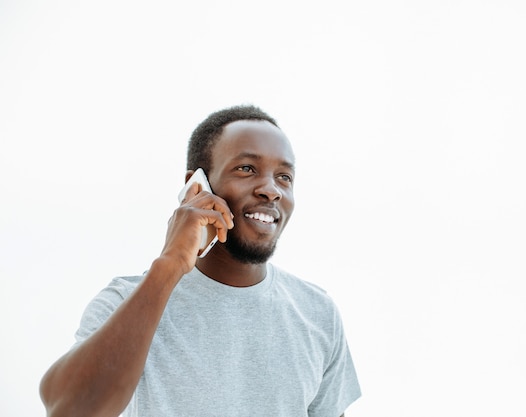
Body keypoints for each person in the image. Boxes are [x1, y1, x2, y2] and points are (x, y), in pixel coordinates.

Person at [39, 105, 361, 417]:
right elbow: (70, 410)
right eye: (247, 168)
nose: (271, 190)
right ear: (196, 186)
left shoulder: (317, 313)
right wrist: (171, 263)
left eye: (284, 177)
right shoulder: (126, 302)